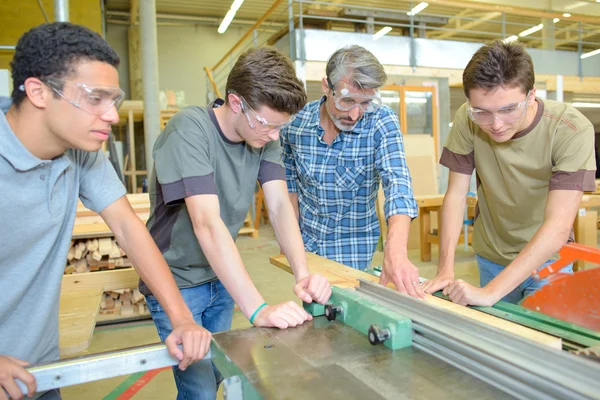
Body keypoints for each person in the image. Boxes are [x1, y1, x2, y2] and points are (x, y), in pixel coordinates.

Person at [0, 22, 211, 400]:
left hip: (41, 370)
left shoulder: (80, 151)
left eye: (113, 99)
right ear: (38, 92)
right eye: (95, 98)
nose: (111, 115)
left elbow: (130, 230)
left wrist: (181, 318)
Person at [141, 46, 332, 399]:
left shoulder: (262, 136)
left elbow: (279, 206)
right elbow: (207, 223)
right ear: (234, 102)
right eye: (268, 124)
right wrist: (258, 308)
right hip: (178, 282)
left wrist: (302, 273)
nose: (274, 135)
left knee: (222, 376)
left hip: (220, 277)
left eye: (281, 127)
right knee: (198, 389)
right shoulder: (190, 129)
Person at [422, 40, 596, 306]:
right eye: (482, 112)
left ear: (531, 95)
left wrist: (492, 291)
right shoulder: (467, 119)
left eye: (508, 110)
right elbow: (456, 195)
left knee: (543, 341)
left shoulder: (570, 130)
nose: (496, 124)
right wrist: (445, 269)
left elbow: (558, 226)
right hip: (492, 255)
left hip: (547, 259)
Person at [280, 45, 424, 298]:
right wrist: (291, 244)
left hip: (354, 249)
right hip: (306, 248)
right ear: (327, 87)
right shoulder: (295, 125)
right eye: (347, 101)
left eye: (365, 103)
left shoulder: (381, 121)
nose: (355, 114)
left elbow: (398, 184)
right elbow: (288, 188)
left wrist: (396, 252)